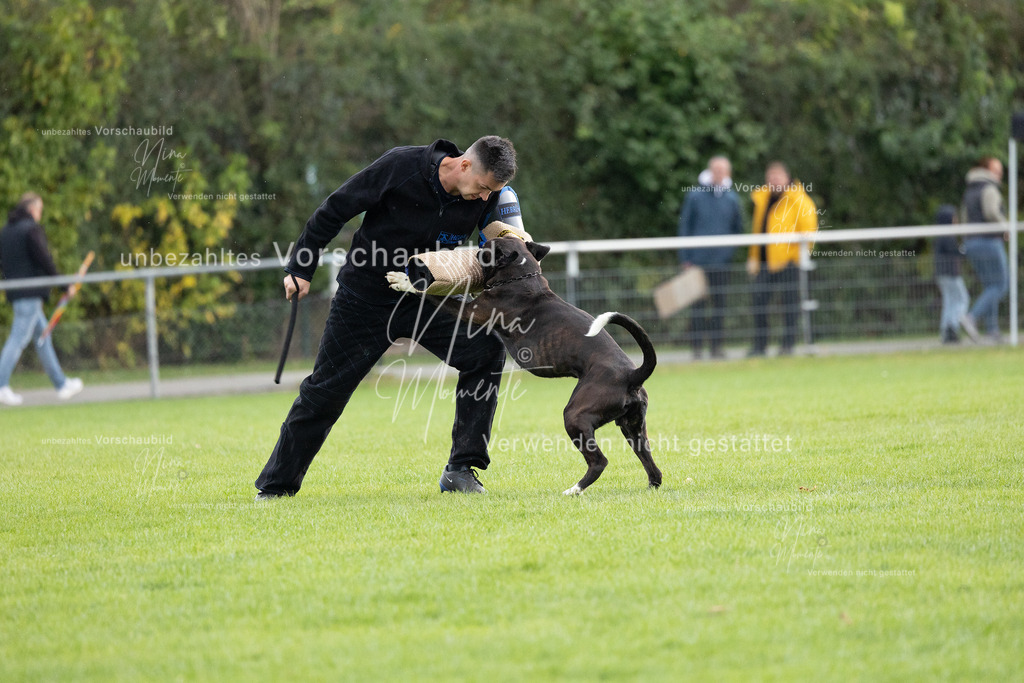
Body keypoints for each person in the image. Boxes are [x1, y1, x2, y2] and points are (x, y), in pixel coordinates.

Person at [255, 136, 518, 499]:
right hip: (364, 297)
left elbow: (508, 245)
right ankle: (275, 488)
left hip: (424, 297)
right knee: (325, 393)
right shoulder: (401, 167)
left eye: (494, 192)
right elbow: (335, 208)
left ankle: (461, 469)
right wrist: (301, 264)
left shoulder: (486, 199)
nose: (485, 198)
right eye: (484, 188)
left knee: (485, 351)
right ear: (465, 165)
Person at [0, 192, 83, 405]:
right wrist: (66, 286)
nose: (40, 214)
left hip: (17, 293)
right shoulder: (30, 230)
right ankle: (1, 385)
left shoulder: (6, 231)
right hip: (30, 295)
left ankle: (61, 385)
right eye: (39, 210)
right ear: (31, 209)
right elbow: (45, 260)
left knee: (43, 337)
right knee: (18, 339)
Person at [745, 162, 818, 357]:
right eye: (771, 176)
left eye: (778, 176)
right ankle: (760, 346)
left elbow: (808, 232)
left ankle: (787, 346)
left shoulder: (799, 199)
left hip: (789, 263)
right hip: (764, 264)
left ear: (787, 177)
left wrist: (794, 258)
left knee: (790, 306)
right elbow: (758, 231)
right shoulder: (762, 198)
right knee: (758, 303)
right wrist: (753, 258)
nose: (774, 180)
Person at [677, 156, 743, 359]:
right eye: (716, 170)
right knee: (697, 308)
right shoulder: (695, 196)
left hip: (721, 263)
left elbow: (737, 229)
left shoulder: (732, 198)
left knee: (719, 306)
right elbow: (685, 226)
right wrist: (686, 258)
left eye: (722, 170)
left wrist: (727, 253)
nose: (719, 174)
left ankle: (716, 347)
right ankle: (697, 349)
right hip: (697, 262)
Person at [960, 156, 1008, 343]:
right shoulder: (989, 188)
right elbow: (991, 212)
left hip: (971, 243)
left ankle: (992, 329)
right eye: (996, 170)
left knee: (990, 286)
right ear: (985, 169)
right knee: (1000, 285)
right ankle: (971, 317)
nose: (999, 174)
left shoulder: (969, 191)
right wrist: (1006, 227)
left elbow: (964, 218)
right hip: (989, 242)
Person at [933, 204, 970, 344]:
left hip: (942, 274)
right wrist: (966, 248)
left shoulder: (940, 235)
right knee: (962, 299)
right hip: (951, 274)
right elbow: (957, 252)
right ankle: (952, 327)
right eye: (954, 217)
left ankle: (946, 331)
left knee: (949, 302)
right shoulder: (947, 236)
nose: (956, 220)